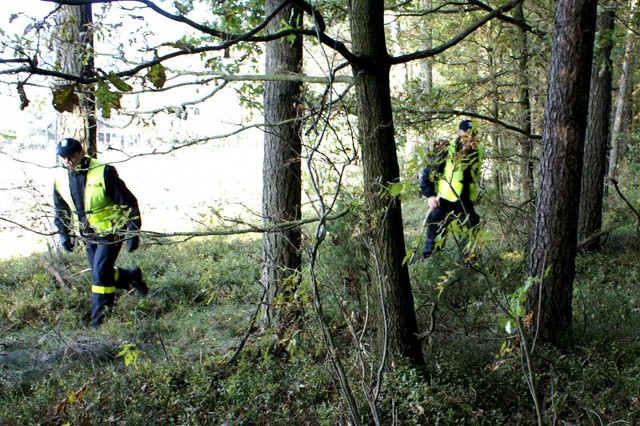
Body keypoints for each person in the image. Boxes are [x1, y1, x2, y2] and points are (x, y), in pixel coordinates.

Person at [53, 137, 148, 328]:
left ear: (81, 153)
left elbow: (128, 201)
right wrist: (64, 235)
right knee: (102, 272)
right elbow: (60, 210)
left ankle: (99, 322)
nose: (67, 161)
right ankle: (131, 276)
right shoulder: (60, 177)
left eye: (71, 156)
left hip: (111, 230)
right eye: (63, 157)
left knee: (100, 277)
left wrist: (132, 230)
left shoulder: (103, 171)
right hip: (88, 234)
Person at [418, 119, 484, 259]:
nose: (469, 138)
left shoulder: (478, 151)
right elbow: (427, 173)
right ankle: (431, 258)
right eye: (466, 134)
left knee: (472, 227)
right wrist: (430, 195)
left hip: (465, 201)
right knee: (435, 227)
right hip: (444, 200)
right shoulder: (445, 149)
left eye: (473, 135)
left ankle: (470, 262)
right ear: (458, 133)